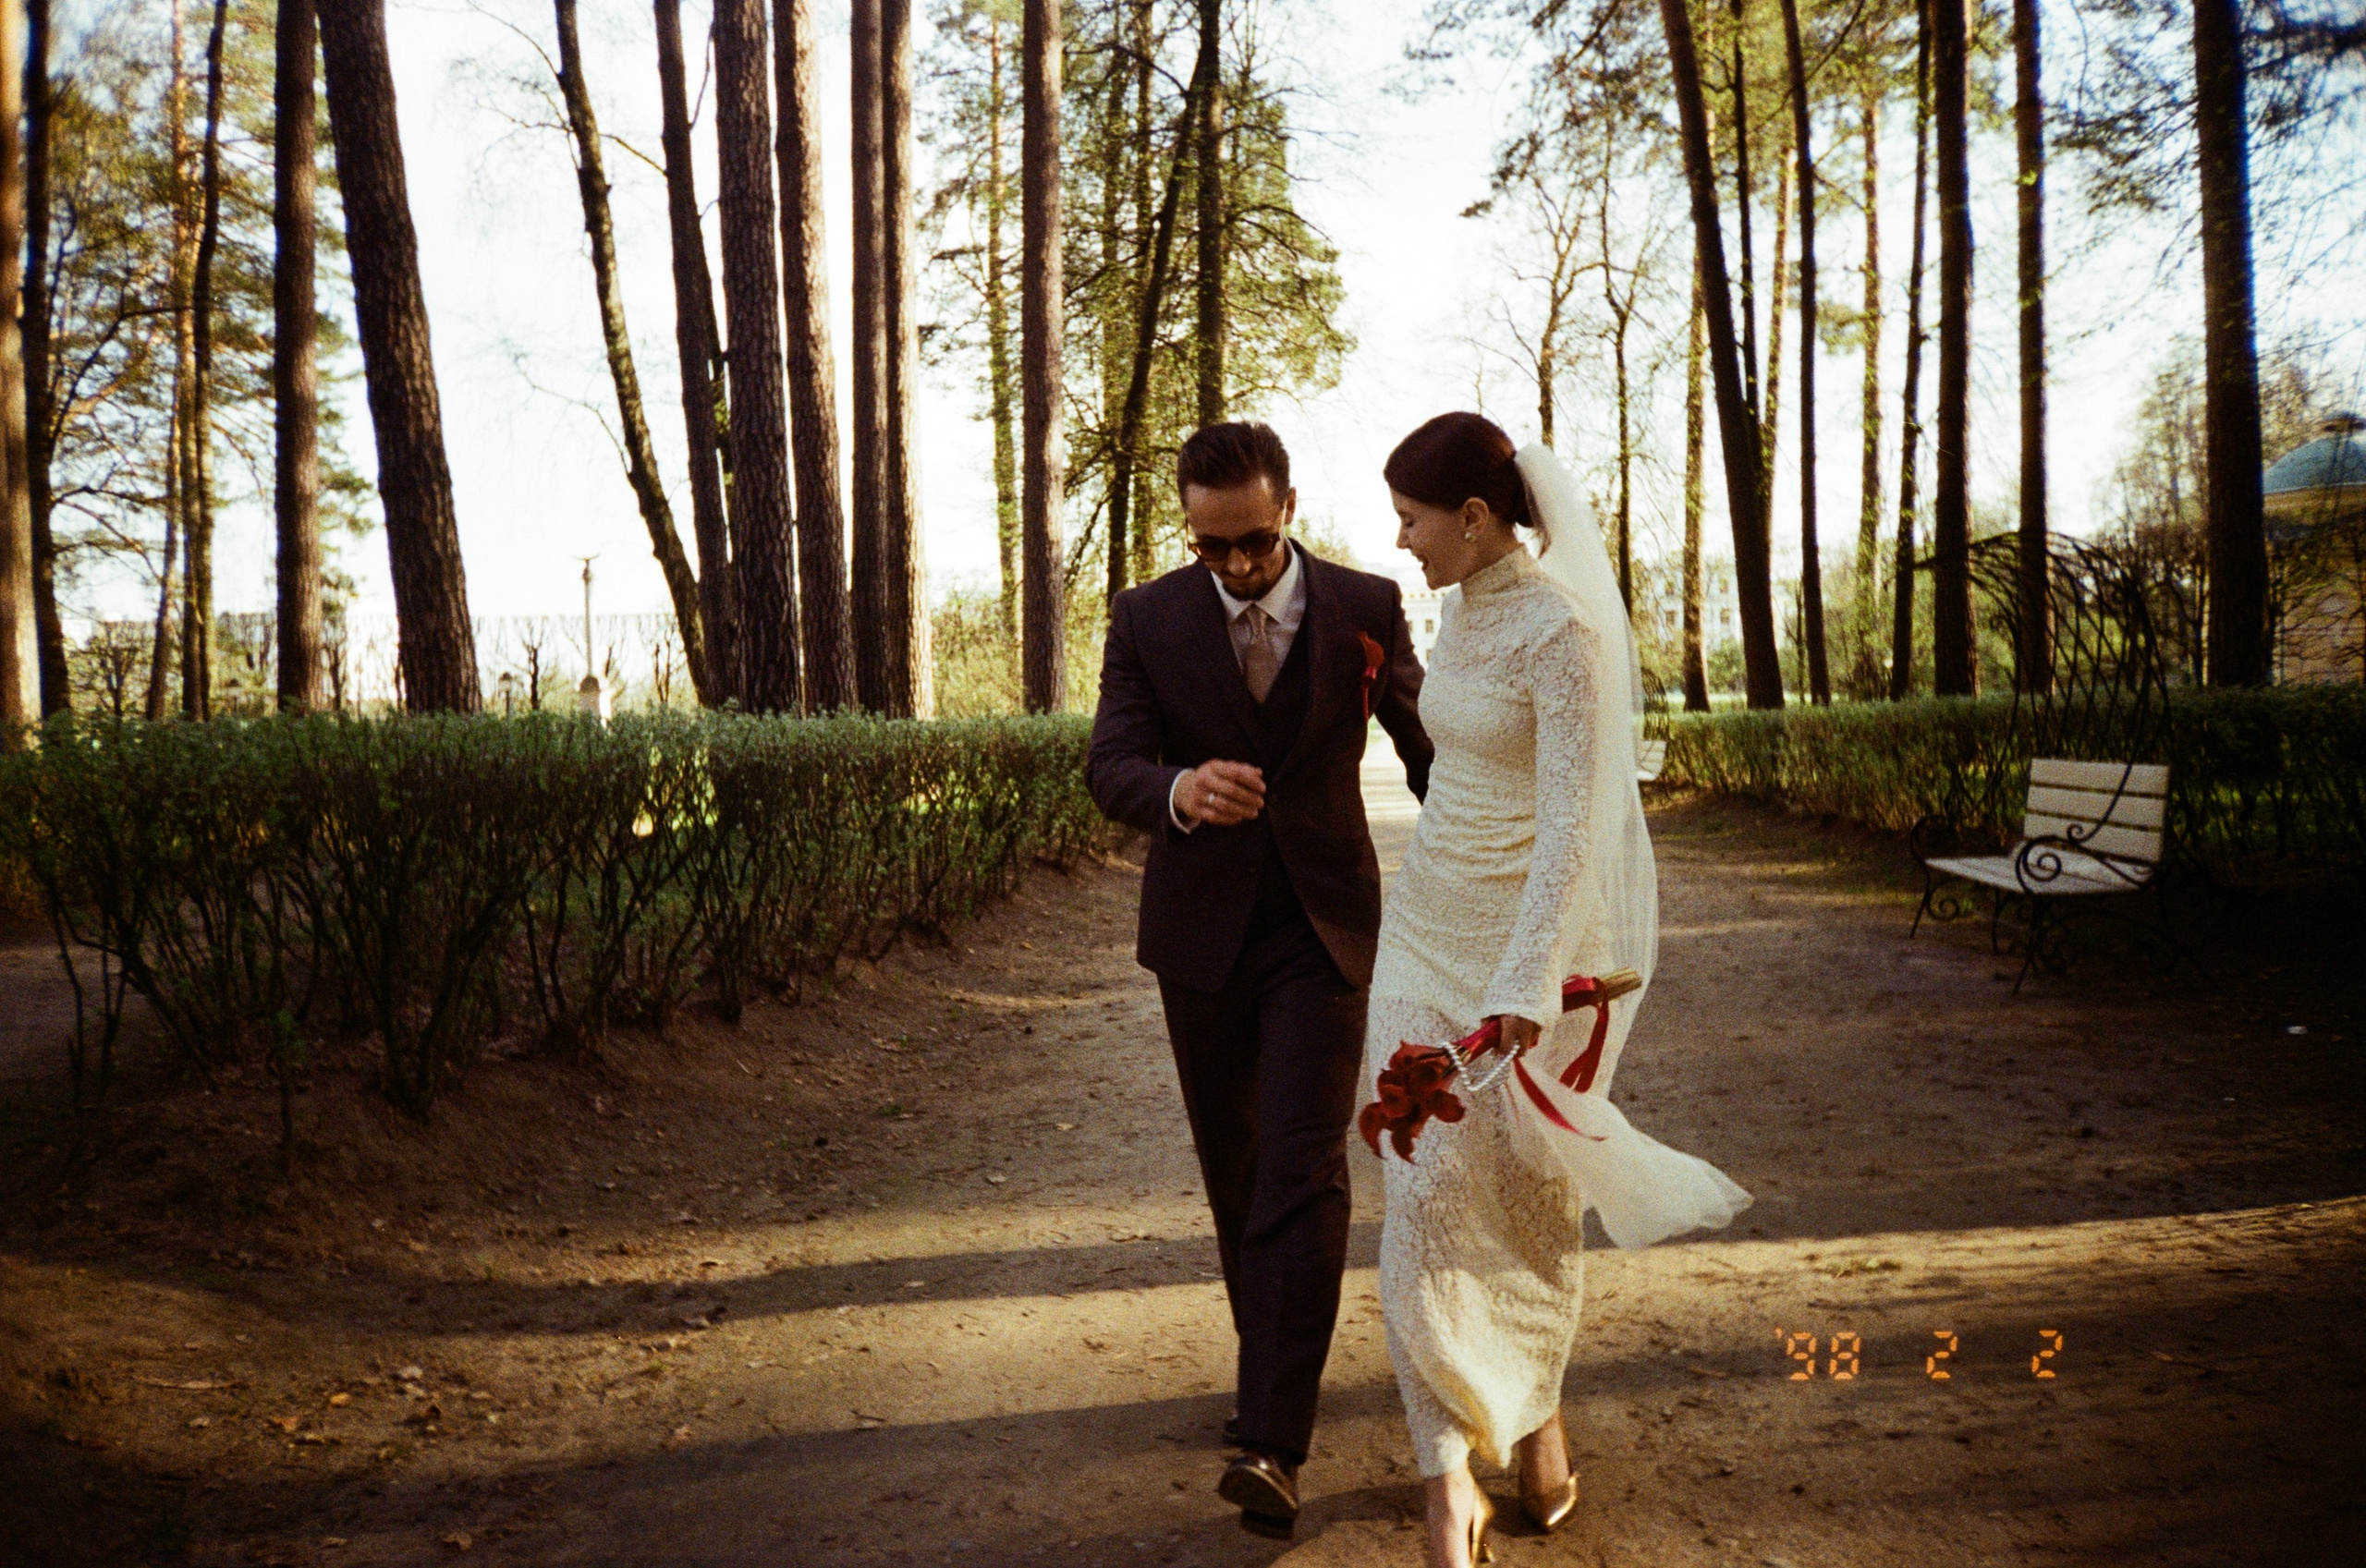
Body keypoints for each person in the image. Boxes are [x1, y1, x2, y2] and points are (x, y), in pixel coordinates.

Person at [1366, 412, 1751, 1567]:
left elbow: (1576, 826)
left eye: (1412, 517)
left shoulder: (1566, 635)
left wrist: (1529, 977)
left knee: (1522, 1197)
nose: (1400, 538)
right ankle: (1446, 1480)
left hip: (1521, 960)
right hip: (1419, 934)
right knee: (1421, 1189)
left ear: (1474, 519)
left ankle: (1533, 1410)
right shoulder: (1454, 607)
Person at [1087, 420, 1434, 1539]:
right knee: (1236, 1171)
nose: (1231, 565)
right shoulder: (1146, 617)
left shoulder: (1368, 606)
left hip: (1327, 932)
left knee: (1300, 1161)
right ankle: (1270, 1362)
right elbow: (1112, 763)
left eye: (1249, 539)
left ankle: (1270, 1439)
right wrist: (1182, 788)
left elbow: (1436, 751)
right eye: (1208, 545)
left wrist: (1500, 871)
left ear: (1286, 504)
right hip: (1200, 938)